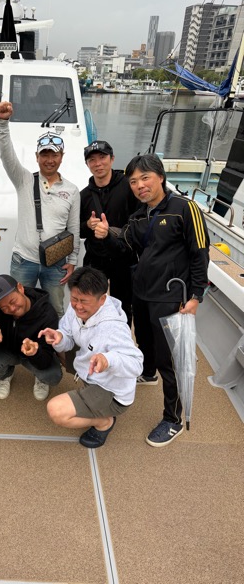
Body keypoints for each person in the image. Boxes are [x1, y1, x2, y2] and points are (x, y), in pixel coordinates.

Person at [94, 154, 209, 447]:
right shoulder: (138, 216)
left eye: (145, 178)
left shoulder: (185, 208)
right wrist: (107, 235)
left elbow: (200, 253)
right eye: (133, 181)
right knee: (144, 342)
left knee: (169, 360)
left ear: (160, 177)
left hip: (171, 297)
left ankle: (172, 419)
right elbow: (126, 247)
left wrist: (196, 296)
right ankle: (147, 374)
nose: (139, 186)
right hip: (142, 293)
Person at [40, 267, 143, 448]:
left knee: (56, 410)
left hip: (112, 393)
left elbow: (137, 364)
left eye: (84, 301)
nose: (78, 306)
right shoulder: (76, 308)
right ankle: (91, 401)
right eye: (74, 299)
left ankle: (104, 422)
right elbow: (67, 334)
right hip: (93, 374)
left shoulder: (114, 328)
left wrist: (108, 360)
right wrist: (59, 337)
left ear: (102, 299)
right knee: (59, 346)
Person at [0, 101, 80, 318]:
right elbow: (6, 156)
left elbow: (74, 229)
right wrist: (2, 123)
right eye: (45, 155)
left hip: (56, 263)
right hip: (23, 261)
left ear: (62, 156)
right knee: (19, 310)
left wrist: (72, 261)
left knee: (56, 310)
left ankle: (55, 341)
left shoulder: (71, 190)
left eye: (54, 155)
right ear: (37, 157)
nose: (49, 160)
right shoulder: (24, 180)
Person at [80, 140, 139, 326]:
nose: (98, 164)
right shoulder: (84, 195)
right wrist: (87, 225)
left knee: (123, 306)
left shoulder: (129, 187)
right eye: (92, 160)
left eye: (102, 158)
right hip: (95, 258)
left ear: (112, 159)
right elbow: (77, 231)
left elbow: (139, 220)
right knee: (89, 303)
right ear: (87, 164)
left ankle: (121, 339)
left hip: (123, 257)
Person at [0, 274, 62, 401]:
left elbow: (46, 358)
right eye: (4, 307)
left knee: (52, 375)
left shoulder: (47, 314)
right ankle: (6, 375)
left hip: (33, 354)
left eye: (13, 301)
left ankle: (40, 380)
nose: (11, 308)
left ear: (20, 288)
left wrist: (35, 352)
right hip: (8, 350)